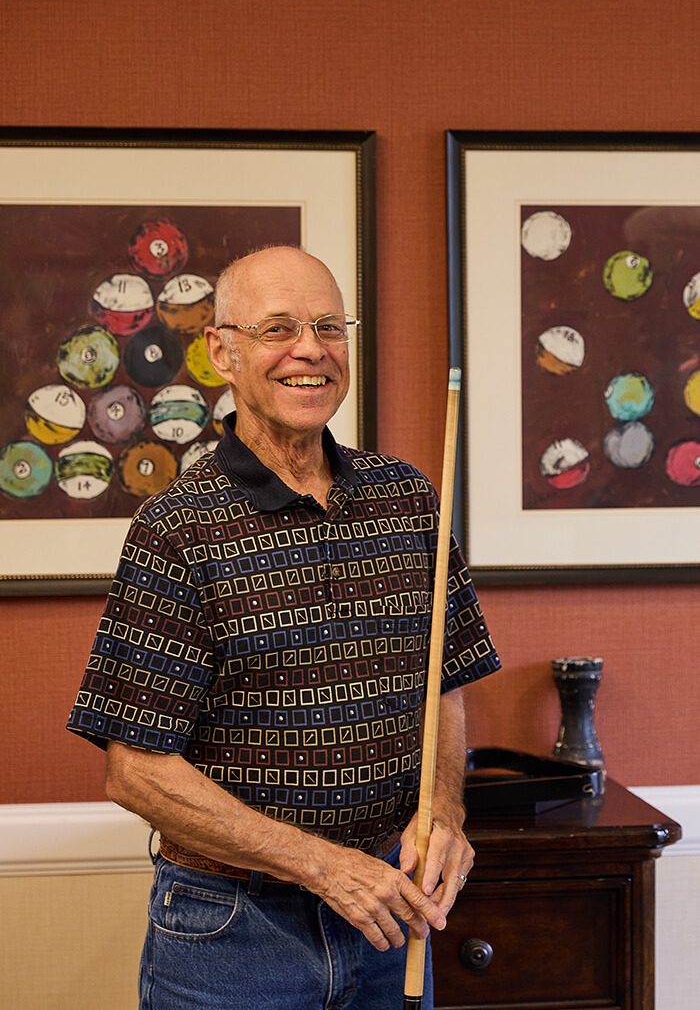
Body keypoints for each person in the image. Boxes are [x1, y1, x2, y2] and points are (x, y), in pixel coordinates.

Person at [67, 246, 500, 1010]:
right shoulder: (176, 528)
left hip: (390, 921)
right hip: (232, 933)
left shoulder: (409, 500)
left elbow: (443, 686)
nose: (311, 349)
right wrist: (323, 866)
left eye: (329, 326)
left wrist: (446, 810)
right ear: (221, 352)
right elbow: (135, 770)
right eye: (279, 328)